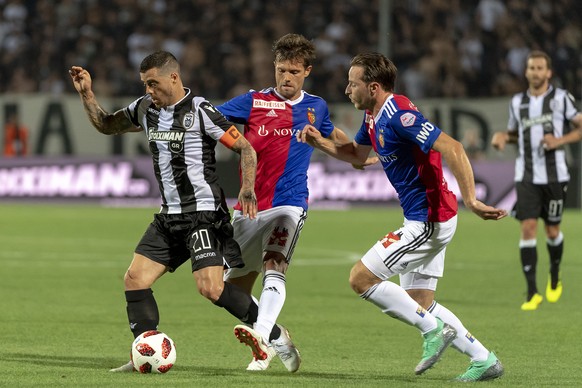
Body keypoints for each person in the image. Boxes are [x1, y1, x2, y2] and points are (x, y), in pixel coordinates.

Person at [298, 52, 506, 382]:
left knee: (361, 278)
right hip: (430, 217)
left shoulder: (400, 115)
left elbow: (452, 147)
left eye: (353, 84)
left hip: (428, 220)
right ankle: (484, 359)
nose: (347, 89)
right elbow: (358, 156)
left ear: (374, 86)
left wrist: (472, 199)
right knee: (420, 301)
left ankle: (433, 331)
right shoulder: (372, 116)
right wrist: (319, 141)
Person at [69, 51, 261, 372]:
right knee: (134, 279)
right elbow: (105, 125)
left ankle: (269, 328)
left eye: (153, 83)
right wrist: (87, 93)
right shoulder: (145, 109)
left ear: (174, 77)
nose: (148, 91)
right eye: (145, 84)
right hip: (168, 215)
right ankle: (144, 351)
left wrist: (247, 187)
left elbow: (244, 147)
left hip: (203, 213)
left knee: (211, 288)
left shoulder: (201, 110)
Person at [216, 33, 360, 372]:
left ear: (306, 71)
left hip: (289, 203)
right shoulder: (252, 102)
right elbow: (210, 120)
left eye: (294, 71)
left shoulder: (316, 108)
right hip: (250, 207)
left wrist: (362, 156)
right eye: (281, 70)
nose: (286, 78)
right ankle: (278, 334)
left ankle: (262, 340)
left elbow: (340, 144)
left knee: (274, 264)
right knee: (223, 289)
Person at [491, 50, 582, 311]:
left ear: (548, 72)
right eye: (532, 68)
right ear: (527, 71)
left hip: (555, 175)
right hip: (527, 175)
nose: (535, 72)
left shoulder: (561, 99)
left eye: (540, 68)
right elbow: (514, 134)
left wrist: (559, 141)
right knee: (528, 227)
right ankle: (532, 292)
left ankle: (555, 274)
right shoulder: (517, 102)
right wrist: (501, 137)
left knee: (552, 230)